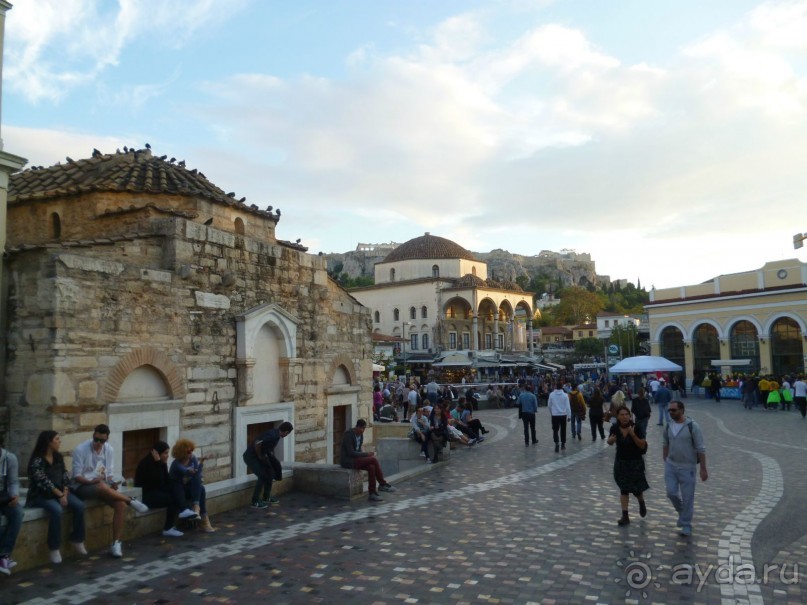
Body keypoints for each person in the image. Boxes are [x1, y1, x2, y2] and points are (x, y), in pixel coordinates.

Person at [71, 424, 149, 558]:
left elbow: (108, 473)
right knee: (101, 486)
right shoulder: (81, 449)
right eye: (96, 439)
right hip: (82, 486)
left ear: (106, 440)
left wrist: (111, 482)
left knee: (121, 505)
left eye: (102, 441)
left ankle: (116, 543)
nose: (98, 443)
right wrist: (92, 482)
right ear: (93, 436)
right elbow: (76, 476)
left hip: (101, 484)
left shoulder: (108, 450)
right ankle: (130, 500)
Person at [26, 431, 87, 564]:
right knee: (56, 510)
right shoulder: (37, 460)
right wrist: (59, 495)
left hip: (60, 492)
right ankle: (54, 548)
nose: (60, 442)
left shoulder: (58, 457)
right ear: (49, 442)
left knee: (79, 506)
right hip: (41, 495)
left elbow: (65, 476)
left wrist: (64, 493)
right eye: (57, 439)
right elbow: (42, 481)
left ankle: (77, 538)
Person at [662, 401, 708, 537]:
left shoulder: (692, 426)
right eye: (669, 410)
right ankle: (683, 513)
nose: (671, 413)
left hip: (688, 467)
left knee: (688, 497)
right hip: (671, 464)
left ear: (682, 410)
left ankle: (686, 523)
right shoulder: (668, 425)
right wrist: (665, 457)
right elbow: (665, 442)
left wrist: (703, 469)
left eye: (674, 410)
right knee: (671, 493)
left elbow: (701, 448)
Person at [135, 441, 199, 537]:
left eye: (167, 453)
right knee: (172, 499)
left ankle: (184, 510)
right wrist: (159, 464)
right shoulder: (147, 464)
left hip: (157, 491)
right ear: (157, 453)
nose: (167, 456)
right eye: (165, 453)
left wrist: (163, 464)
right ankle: (168, 528)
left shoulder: (159, 463)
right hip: (147, 496)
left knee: (177, 484)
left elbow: (167, 480)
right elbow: (158, 481)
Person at [607, 407, 649, 526]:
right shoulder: (614, 428)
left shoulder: (637, 427)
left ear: (630, 416)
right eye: (622, 414)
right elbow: (610, 442)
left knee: (636, 489)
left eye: (626, 414)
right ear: (618, 416)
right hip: (621, 463)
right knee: (623, 489)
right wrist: (610, 440)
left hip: (635, 462)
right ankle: (625, 516)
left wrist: (632, 434)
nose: (624, 417)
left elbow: (642, 446)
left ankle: (641, 502)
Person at [340, 419, 396, 501]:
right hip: (348, 461)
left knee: (371, 467)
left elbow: (358, 450)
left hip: (356, 459)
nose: (363, 430)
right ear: (357, 427)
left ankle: (372, 493)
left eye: (364, 429)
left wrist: (364, 457)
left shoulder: (361, 435)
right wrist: (366, 455)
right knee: (373, 460)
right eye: (361, 428)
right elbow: (351, 453)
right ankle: (382, 484)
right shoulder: (348, 435)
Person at [242, 422, 294, 509]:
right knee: (262, 476)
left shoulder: (276, 434)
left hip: (261, 456)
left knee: (270, 473)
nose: (287, 435)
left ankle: (266, 497)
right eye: (288, 433)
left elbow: (268, 447)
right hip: (251, 457)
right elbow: (258, 443)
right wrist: (259, 455)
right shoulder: (273, 435)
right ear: (286, 432)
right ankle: (254, 502)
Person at [169, 439, 215, 532]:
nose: (191, 453)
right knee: (200, 488)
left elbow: (197, 474)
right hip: (178, 492)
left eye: (192, 450)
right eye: (189, 451)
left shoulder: (192, 458)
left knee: (201, 487)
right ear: (182, 453)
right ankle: (201, 515)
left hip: (189, 487)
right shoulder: (176, 464)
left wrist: (201, 462)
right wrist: (193, 472)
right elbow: (187, 472)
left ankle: (199, 512)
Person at [0, 438, 23, 574]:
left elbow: (13, 481)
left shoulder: (9, 458)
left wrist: (15, 495)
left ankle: (4, 554)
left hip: (3, 497)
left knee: (18, 513)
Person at [548, 382, 571, 453]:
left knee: (555, 430)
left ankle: (556, 443)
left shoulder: (551, 395)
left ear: (555, 386)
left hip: (555, 415)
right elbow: (568, 407)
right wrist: (569, 415)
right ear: (562, 387)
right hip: (563, 415)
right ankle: (563, 444)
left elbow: (549, 405)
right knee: (563, 430)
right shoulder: (565, 395)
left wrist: (552, 412)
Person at [517, 380, 539, 447]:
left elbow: (517, 403)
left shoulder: (521, 395)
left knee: (525, 428)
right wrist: (535, 410)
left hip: (524, 413)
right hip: (531, 413)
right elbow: (535, 405)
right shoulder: (533, 396)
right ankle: (534, 440)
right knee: (533, 428)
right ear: (530, 389)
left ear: (525, 389)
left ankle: (526, 442)